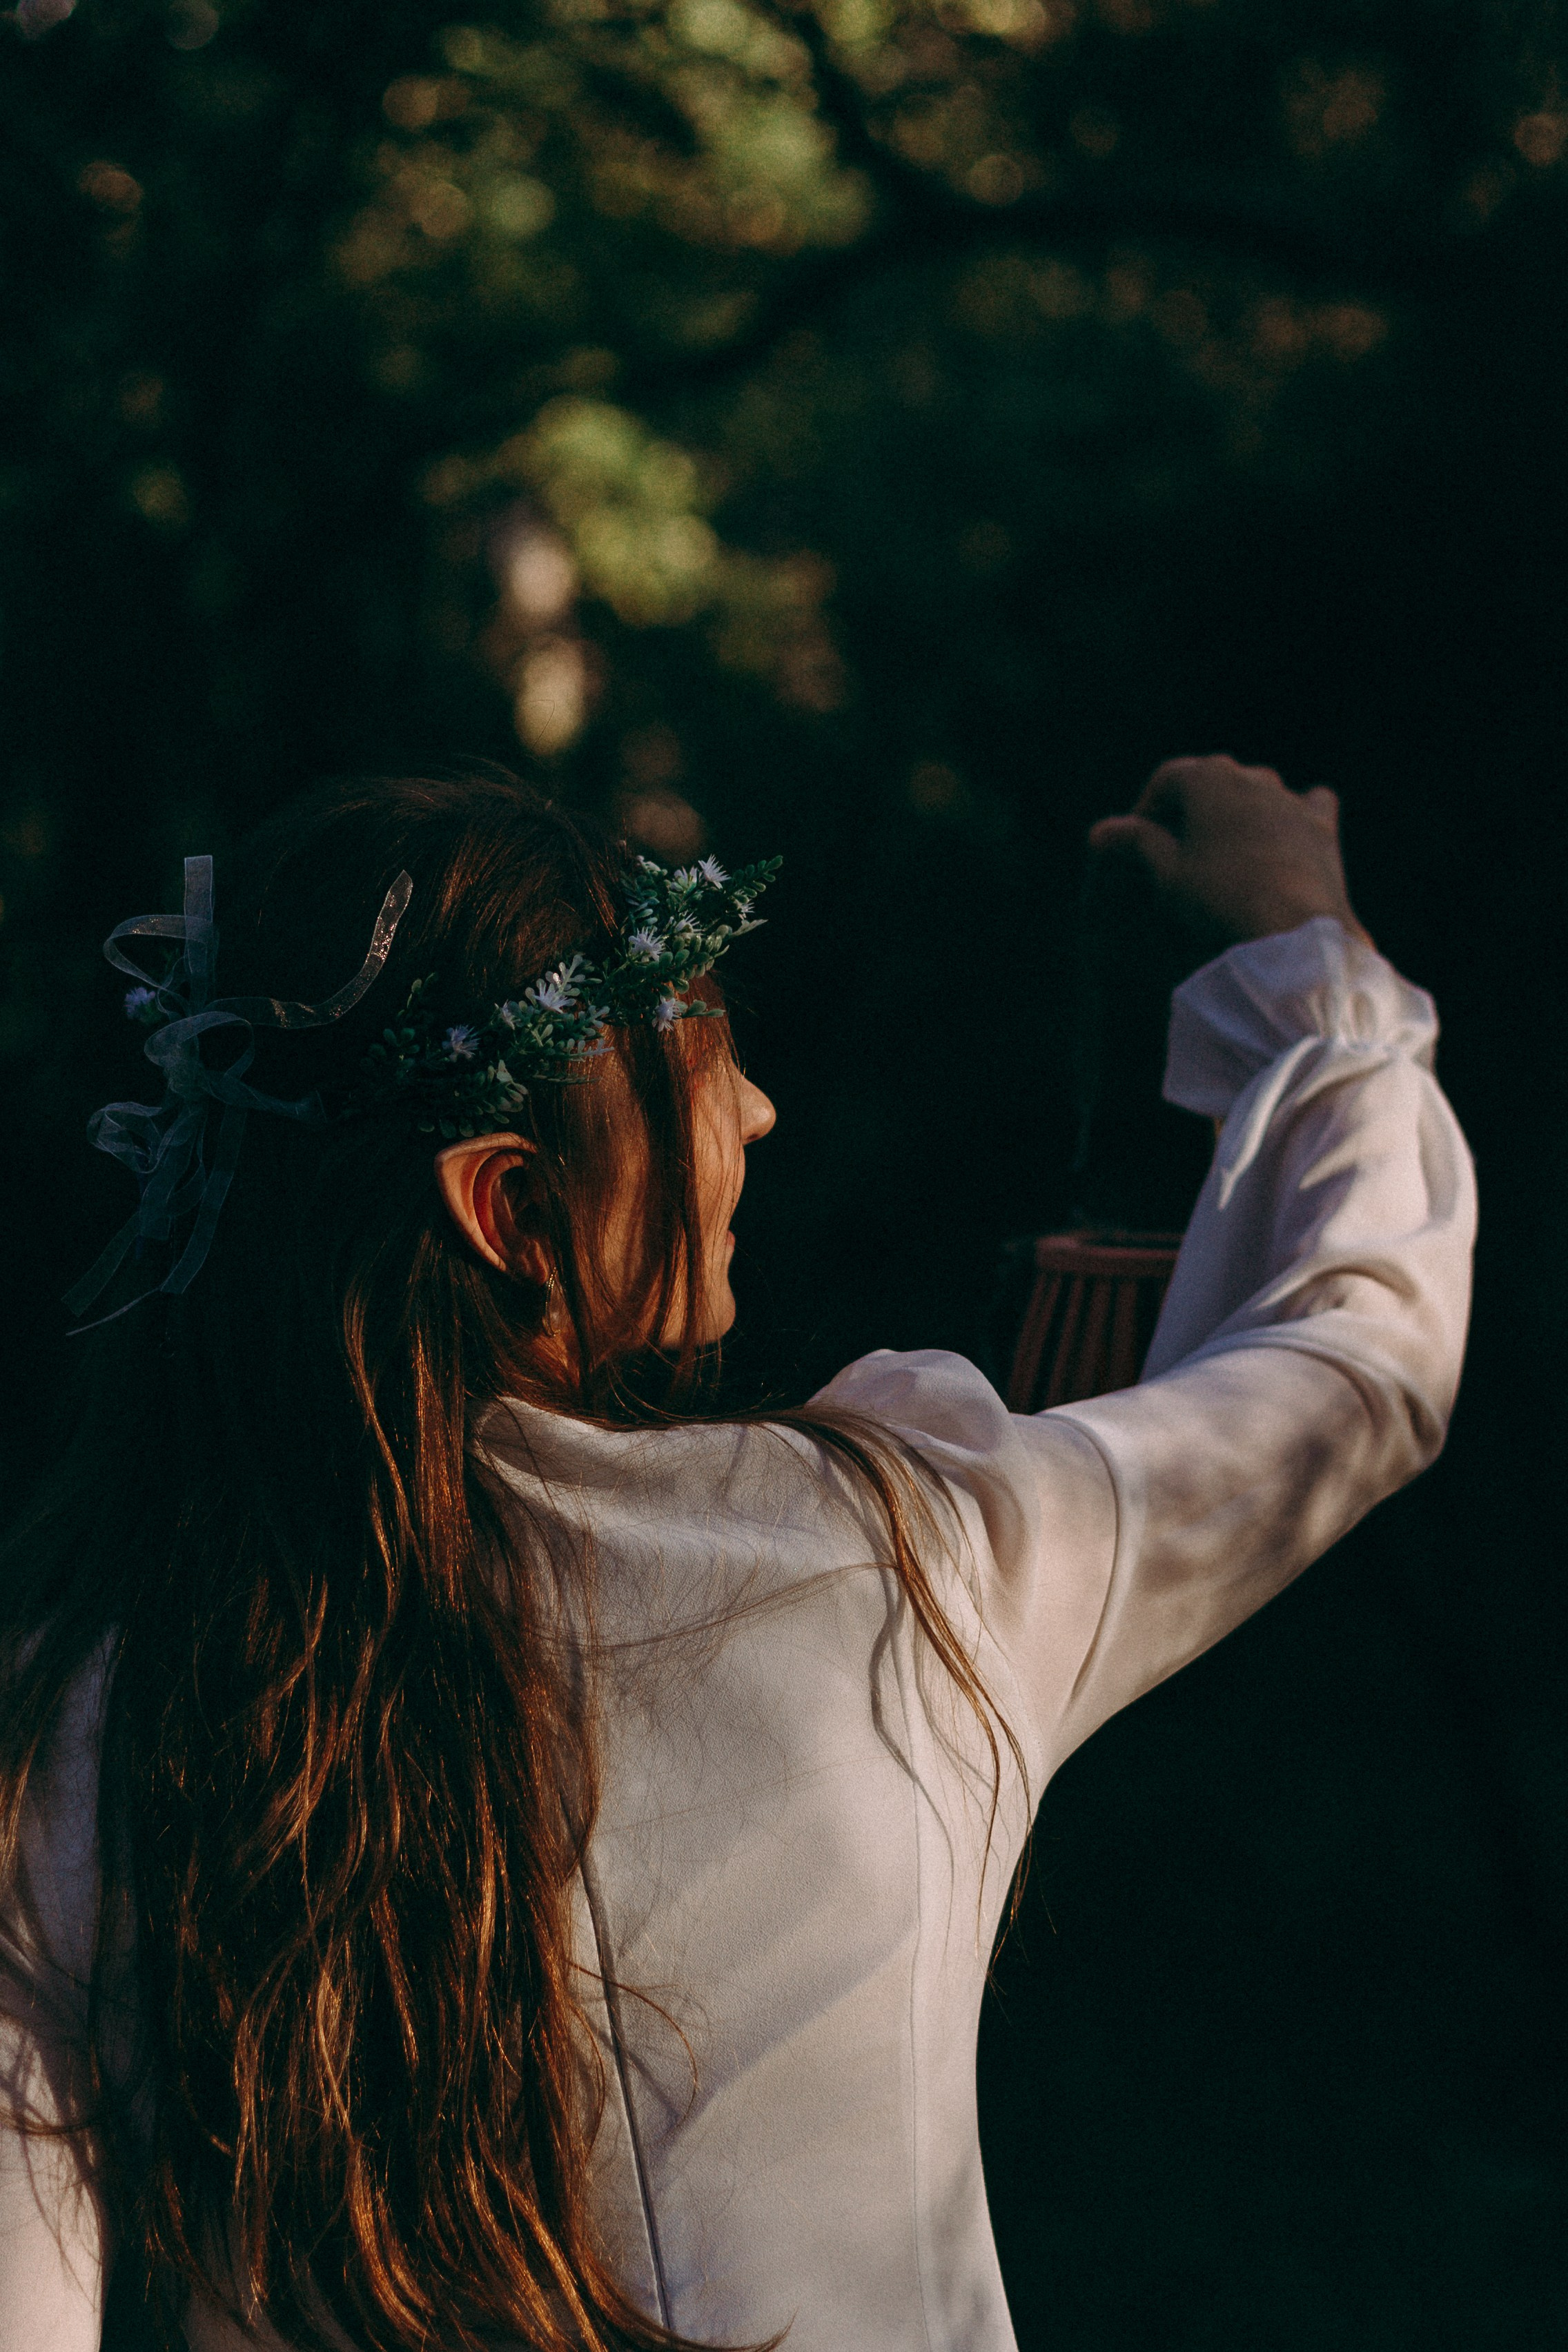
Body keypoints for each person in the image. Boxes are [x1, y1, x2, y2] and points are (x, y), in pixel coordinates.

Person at [0, 754, 1473, 2352]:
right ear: (509, 1209)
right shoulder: (885, 1559)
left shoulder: (67, 1738)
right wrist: (1300, 959)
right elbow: (1347, 1368)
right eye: (690, 1066)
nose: (757, 1109)